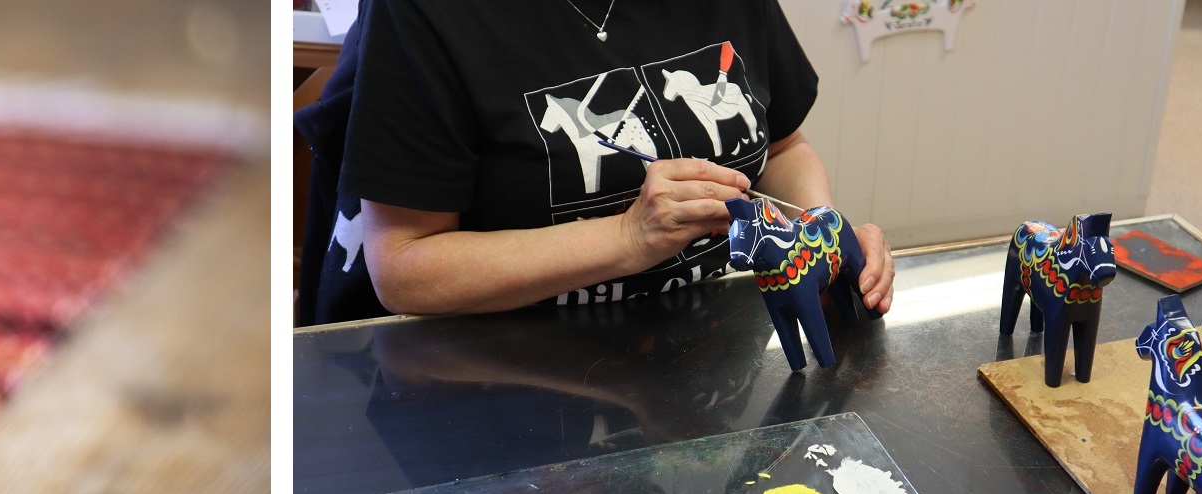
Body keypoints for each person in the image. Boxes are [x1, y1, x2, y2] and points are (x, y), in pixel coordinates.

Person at [297, 0, 895, 325]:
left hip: (704, 359)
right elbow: (404, 267)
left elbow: (784, 149)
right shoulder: (425, 16)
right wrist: (629, 237)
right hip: (508, 387)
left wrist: (816, 233)